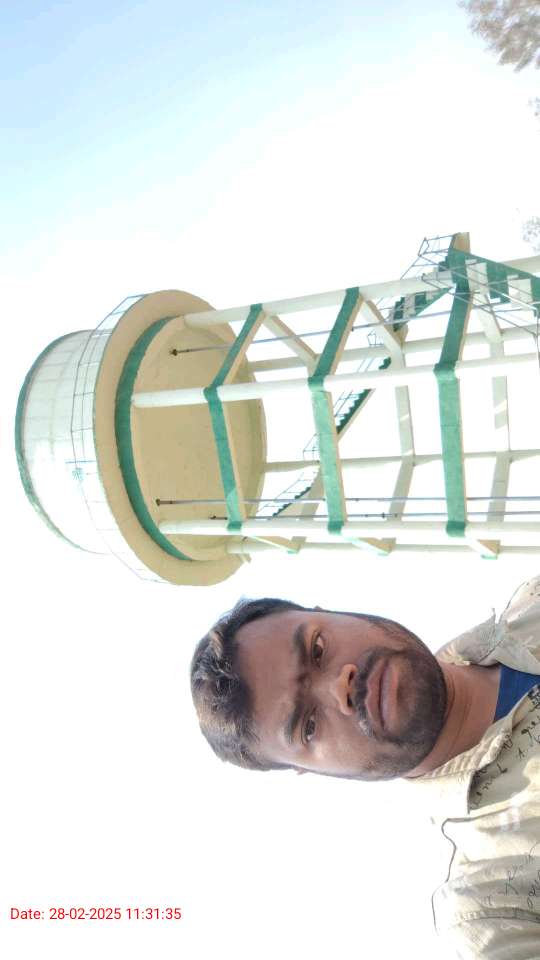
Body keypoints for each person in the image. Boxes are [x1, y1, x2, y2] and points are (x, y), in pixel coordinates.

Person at [191, 578, 540, 959]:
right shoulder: (495, 911)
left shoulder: (533, 599)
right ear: (311, 770)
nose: (339, 686)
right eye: (309, 725)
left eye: (317, 649)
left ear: (329, 613)